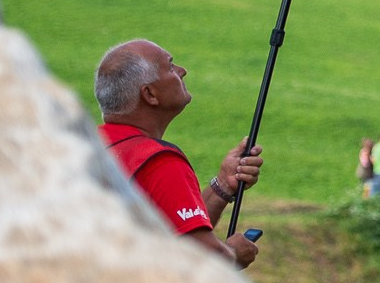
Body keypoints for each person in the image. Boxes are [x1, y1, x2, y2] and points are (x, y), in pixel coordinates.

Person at [94, 39, 262, 269]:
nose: (183, 71)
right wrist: (233, 253)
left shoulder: (88, 146)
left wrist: (222, 186)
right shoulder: (158, 162)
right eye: (171, 67)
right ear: (150, 94)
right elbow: (197, 258)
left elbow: (176, 234)